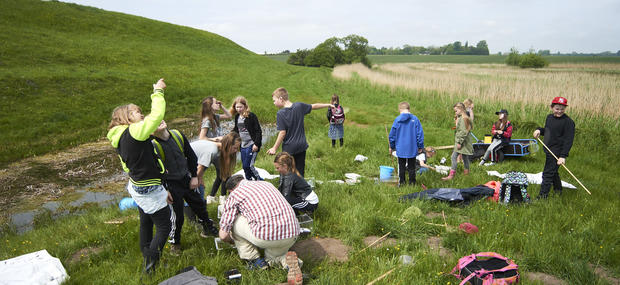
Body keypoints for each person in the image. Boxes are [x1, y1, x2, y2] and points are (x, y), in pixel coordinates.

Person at [106, 78, 173, 273]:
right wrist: (158, 92)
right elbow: (157, 114)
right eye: (136, 111)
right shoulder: (134, 132)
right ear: (125, 118)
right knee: (164, 226)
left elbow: (127, 165)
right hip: (149, 187)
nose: (141, 113)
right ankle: (150, 267)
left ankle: (147, 254)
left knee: (145, 220)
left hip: (137, 186)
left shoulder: (120, 136)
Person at [219, 175, 303, 285]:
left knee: (234, 222)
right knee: (272, 259)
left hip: (266, 236)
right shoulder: (266, 184)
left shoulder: (235, 194)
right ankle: (288, 262)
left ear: (231, 190)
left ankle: (254, 260)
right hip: (292, 232)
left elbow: (223, 235)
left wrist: (233, 239)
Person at [151, 120, 219, 255]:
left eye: (161, 119)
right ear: (150, 130)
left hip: (186, 178)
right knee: (177, 216)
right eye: (155, 122)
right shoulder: (153, 145)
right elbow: (154, 170)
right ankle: (175, 243)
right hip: (170, 185)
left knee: (199, 204)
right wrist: (165, 189)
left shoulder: (177, 135)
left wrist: (194, 176)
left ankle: (208, 228)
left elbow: (191, 156)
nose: (159, 121)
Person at [267, 87, 333, 177]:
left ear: (281, 99)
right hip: (301, 146)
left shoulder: (280, 113)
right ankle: (300, 189)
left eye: (274, 100)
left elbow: (282, 132)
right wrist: (328, 105)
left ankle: (287, 190)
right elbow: (314, 106)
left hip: (289, 149)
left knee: (286, 173)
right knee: (300, 172)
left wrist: (274, 148)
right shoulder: (299, 106)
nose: (274, 103)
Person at [533, 96, 575, 199]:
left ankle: (542, 197)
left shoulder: (568, 122)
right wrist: (539, 130)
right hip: (548, 149)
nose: (559, 111)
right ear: (551, 107)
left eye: (562, 109)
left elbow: (568, 141)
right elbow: (548, 130)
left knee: (547, 174)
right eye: (557, 108)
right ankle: (558, 190)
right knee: (553, 172)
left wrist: (563, 156)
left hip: (557, 152)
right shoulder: (549, 118)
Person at [191, 132, 241, 205]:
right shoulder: (213, 150)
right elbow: (199, 169)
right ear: (228, 145)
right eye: (235, 148)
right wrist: (197, 181)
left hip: (190, 167)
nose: (236, 151)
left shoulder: (218, 148)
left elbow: (199, 169)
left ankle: (199, 211)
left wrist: (200, 179)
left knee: (199, 191)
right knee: (194, 193)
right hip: (181, 164)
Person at [389, 102, 425, 186]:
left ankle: (402, 183)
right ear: (409, 109)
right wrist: (420, 146)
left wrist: (392, 146)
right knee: (411, 166)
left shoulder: (397, 120)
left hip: (400, 148)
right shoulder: (415, 119)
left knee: (401, 166)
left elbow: (392, 135)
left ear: (400, 109)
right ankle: (412, 183)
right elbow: (420, 134)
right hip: (412, 148)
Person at [231, 96, 263, 181]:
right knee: (244, 166)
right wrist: (230, 136)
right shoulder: (237, 117)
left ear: (245, 106)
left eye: (240, 107)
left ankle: (259, 180)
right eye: (237, 107)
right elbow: (236, 129)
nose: (239, 109)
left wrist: (256, 144)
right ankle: (249, 181)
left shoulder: (251, 116)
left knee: (249, 165)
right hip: (243, 145)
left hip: (251, 144)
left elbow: (258, 131)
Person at [442, 103, 473, 180]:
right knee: (465, 157)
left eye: (456, 111)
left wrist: (459, 142)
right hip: (466, 141)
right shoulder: (464, 117)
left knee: (453, 157)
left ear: (461, 109)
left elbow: (463, 132)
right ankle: (466, 173)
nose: (455, 112)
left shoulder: (463, 119)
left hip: (462, 142)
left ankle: (451, 175)